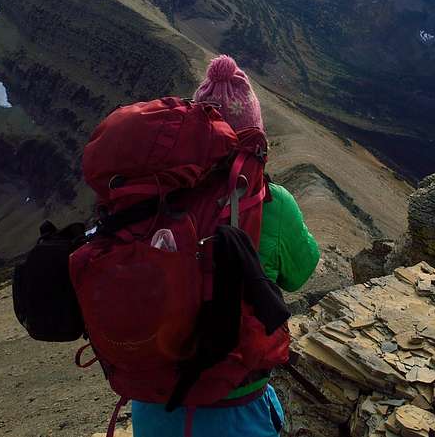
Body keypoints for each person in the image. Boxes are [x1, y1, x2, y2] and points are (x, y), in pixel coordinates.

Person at [130, 54, 321, 437]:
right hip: (236, 404)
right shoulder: (273, 202)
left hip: (154, 403)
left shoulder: (154, 196)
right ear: (255, 136)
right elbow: (300, 273)